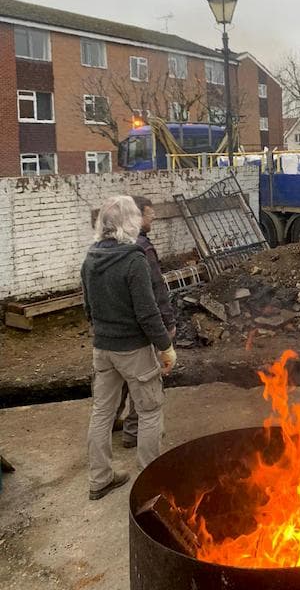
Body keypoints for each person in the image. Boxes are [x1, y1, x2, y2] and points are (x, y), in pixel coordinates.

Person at [82, 195, 176, 501]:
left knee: (102, 413)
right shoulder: (133, 259)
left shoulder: (90, 258)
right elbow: (147, 312)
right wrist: (166, 347)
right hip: (133, 350)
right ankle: (151, 484)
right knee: (150, 411)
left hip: (102, 349)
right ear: (130, 222)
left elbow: (88, 308)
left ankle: (99, 479)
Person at [116, 195, 176, 448]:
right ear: (138, 216)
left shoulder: (112, 244)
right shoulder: (142, 249)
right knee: (145, 382)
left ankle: (111, 421)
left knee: (119, 381)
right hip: (140, 330)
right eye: (150, 215)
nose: (153, 218)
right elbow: (155, 290)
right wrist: (168, 323)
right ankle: (132, 432)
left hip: (116, 329)